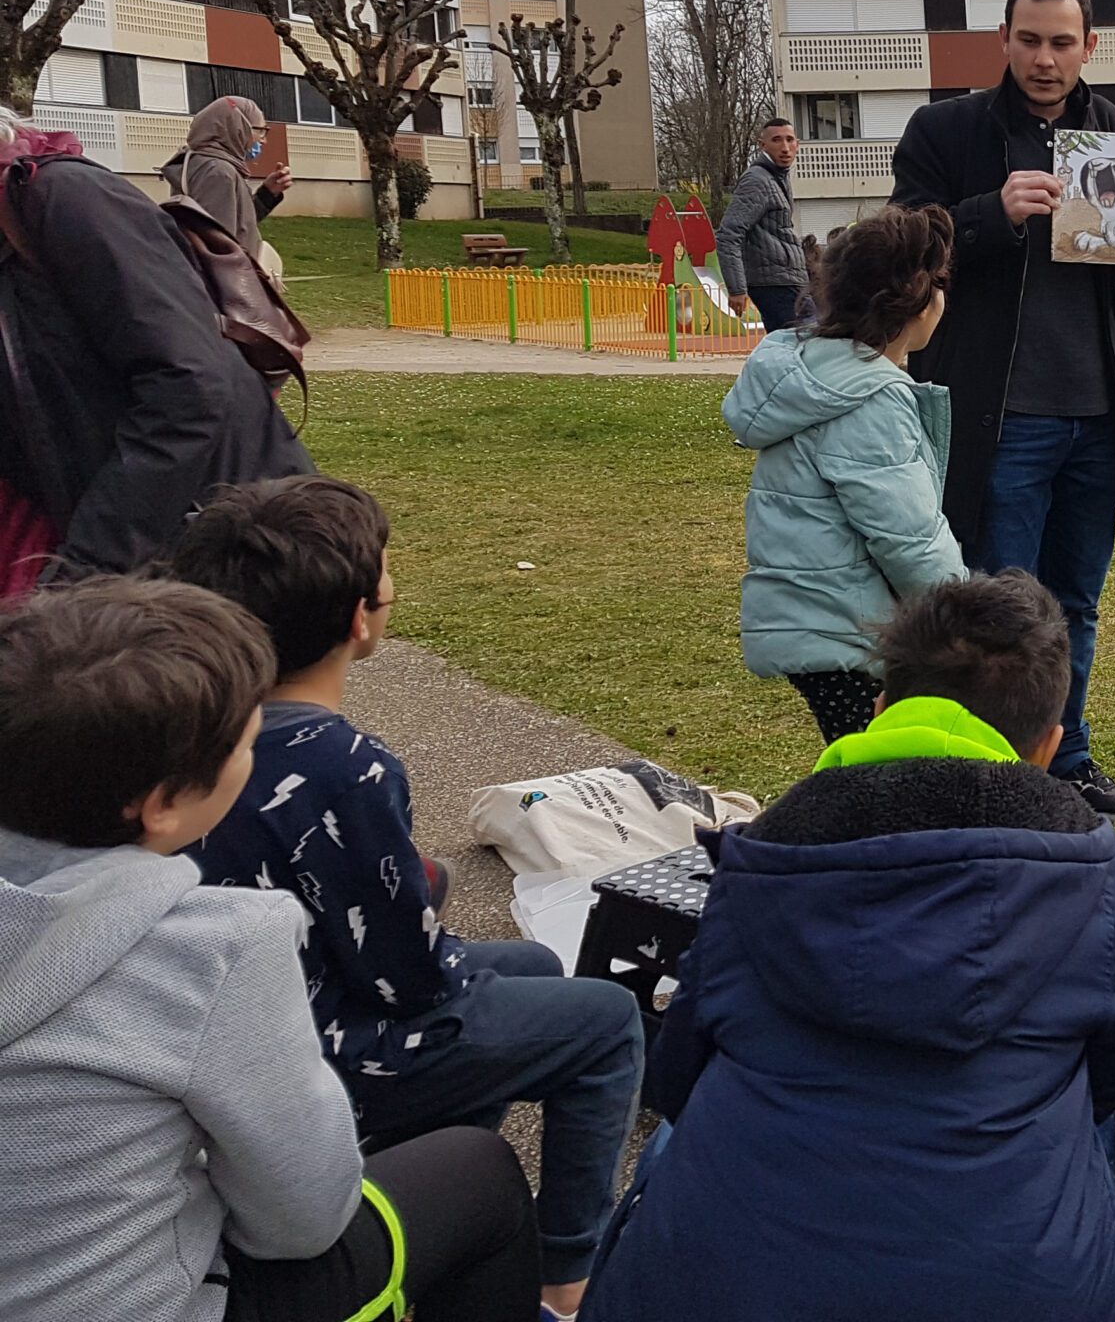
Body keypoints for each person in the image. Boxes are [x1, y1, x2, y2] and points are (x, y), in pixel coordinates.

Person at [581, 573, 1115, 1322]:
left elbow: (682, 1070)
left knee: (673, 1153)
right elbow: (1114, 1066)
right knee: (1091, 1129)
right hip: (1029, 1280)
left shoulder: (759, 861)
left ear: (878, 713)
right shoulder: (1089, 871)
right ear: (1047, 749)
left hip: (730, 1277)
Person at [0, 574, 540, 1322]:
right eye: (248, 742)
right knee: (479, 1173)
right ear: (161, 804)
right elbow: (301, 1221)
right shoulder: (217, 947)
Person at [170, 476, 643, 1321]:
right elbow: (408, 978)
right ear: (361, 617)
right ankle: (563, 1278)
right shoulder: (344, 762)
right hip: (321, 1037)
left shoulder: (195, 725)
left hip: (270, 994)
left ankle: (434, 1177)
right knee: (604, 1021)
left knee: (531, 960)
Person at [889, 0, 1115, 822]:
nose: (1045, 59)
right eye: (1029, 40)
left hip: (1096, 413)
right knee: (999, 604)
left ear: (1091, 46)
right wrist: (991, 211)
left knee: (1077, 602)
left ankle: (1070, 759)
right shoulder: (947, 131)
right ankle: (993, 766)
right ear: (1004, 39)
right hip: (1000, 413)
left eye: (1063, 42)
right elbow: (905, 244)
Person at [0, 103, 311, 587]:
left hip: (210, 531)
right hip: (125, 531)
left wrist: (85, 567)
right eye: (254, 132)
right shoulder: (213, 167)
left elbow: (189, 382)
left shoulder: (59, 197)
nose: (259, 140)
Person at [722, 203, 967, 743]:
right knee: (883, 776)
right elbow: (907, 537)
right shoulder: (868, 397)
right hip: (850, 633)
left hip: (819, 621)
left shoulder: (816, 371)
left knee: (864, 766)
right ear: (917, 300)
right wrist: (966, 619)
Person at [162, 94, 291, 276]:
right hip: (224, 291)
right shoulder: (218, 172)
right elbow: (217, 245)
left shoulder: (210, 165)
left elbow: (236, 224)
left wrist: (267, 194)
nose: (264, 140)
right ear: (238, 127)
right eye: (260, 130)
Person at [716, 118, 808, 331]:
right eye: (777, 140)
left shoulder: (778, 177)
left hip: (786, 279)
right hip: (773, 282)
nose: (785, 148)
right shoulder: (757, 180)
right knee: (797, 343)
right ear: (762, 145)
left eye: (789, 140)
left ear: (798, 144)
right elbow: (729, 234)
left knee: (799, 342)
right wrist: (737, 289)